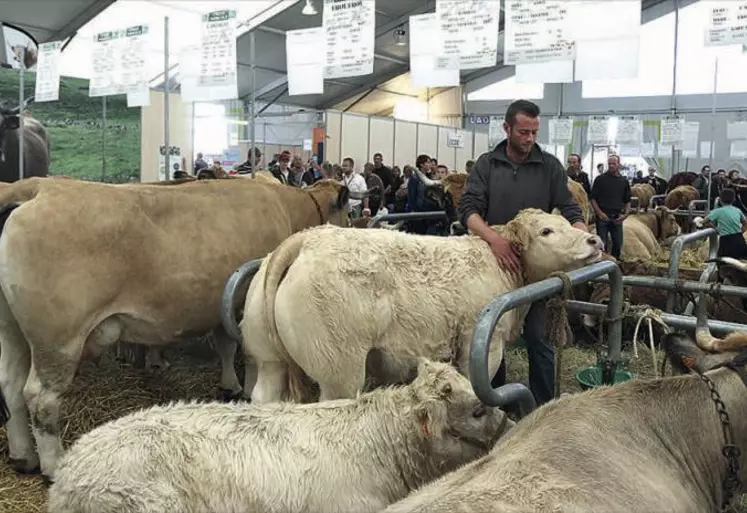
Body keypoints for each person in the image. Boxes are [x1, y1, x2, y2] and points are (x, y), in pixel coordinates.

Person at [458, 99, 586, 407]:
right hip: (497, 267)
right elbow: (468, 211)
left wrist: (581, 233)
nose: (529, 139)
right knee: (491, 335)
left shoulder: (549, 165)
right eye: (523, 132)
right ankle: (495, 403)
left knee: (540, 338)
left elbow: (568, 207)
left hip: (538, 268)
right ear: (507, 128)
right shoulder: (488, 164)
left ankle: (543, 408)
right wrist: (495, 240)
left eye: (533, 132)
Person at [590, 155, 631, 260]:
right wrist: (599, 213)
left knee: (618, 244)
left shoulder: (624, 181)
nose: (611, 166)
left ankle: (613, 264)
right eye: (609, 164)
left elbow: (627, 201)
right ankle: (601, 266)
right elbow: (593, 198)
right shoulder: (600, 179)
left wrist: (625, 215)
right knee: (601, 244)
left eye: (614, 163)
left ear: (619, 164)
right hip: (603, 217)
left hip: (617, 217)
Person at [701, 188, 747, 259]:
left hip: (726, 241)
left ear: (720, 200)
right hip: (740, 240)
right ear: (734, 199)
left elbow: (704, 222)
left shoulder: (718, 211)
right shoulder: (737, 210)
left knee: (723, 263)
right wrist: (741, 231)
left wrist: (715, 229)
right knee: (741, 261)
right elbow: (745, 224)